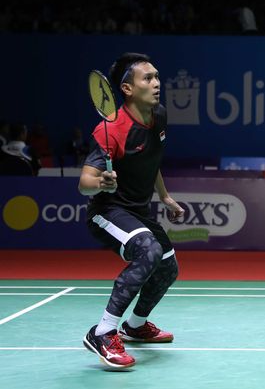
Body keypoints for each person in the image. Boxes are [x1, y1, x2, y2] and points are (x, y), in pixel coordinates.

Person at [79, 52, 184, 369]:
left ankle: (135, 325)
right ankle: (103, 332)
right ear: (127, 89)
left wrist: (164, 197)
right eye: (148, 78)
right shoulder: (112, 128)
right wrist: (102, 182)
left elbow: (151, 160)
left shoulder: (158, 115)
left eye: (156, 77)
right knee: (148, 251)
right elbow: (84, 183)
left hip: (139, 212)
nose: (156, 83)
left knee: (169, 268)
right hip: (108, 210)